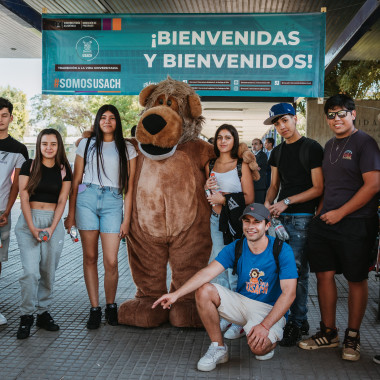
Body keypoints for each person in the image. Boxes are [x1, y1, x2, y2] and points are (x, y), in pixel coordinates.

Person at [153, 203, 297, 371]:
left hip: (269, 310)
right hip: (242, 303)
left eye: (256, 222)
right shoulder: (236, 247)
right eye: (247, 221)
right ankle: (218, 347)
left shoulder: (281, 249)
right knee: (204, 290)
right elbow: (207, 273)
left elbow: (289, 293)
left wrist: (264, 326)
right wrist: (176, 294)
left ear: (267, 225)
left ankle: (264, 338)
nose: (251, 227)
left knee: (259, 348)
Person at [299, 94, 380, 361]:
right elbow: (328, 187)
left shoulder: (365, 143)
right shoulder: (330, 145)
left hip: (356, 223)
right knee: (323, 275)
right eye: (331, 114)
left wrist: (340, 213)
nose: (336, 118)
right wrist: (321, 214)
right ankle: (328, 332)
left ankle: (352, 337)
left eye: (342, 113)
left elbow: (373, 185)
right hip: (326, 223)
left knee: (356, 278)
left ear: (353, 114)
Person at [65, 105, 137, 329]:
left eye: (112, 118)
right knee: (89, 257)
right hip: (87, 198)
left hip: (113, 202)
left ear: (117, 122)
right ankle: (95, 308)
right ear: (97, 121)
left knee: (112, 261)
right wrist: (71, 214)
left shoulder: (127, 148)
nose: (107, 121)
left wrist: (126, 219)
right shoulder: (86, 144)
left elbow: (130, 187)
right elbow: (75, 181)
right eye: (103, 117)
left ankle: (110, 305)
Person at [263, 103, 324, 346]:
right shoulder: (277, 152)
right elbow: (274, 185)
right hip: (280, 219)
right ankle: (297, 318)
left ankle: (297, 323)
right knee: (283, 271)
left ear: (296, 119)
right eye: (277, 124)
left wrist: (286, 202)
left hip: (303, 219)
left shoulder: (311, 147)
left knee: (298, 274)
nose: (282, 126)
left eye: (285, 120)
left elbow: (318, 188)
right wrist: (266, 205)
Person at [15, 129, 72, 339]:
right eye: (45, 143)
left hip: (52, 223)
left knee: (48, 271)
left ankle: (43, 312)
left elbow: (62, 201)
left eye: (53, 144)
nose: (49, 148)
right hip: (29, 221)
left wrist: (51, 227)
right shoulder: (28, 166)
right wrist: (32, 227)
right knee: (30, 272)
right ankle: (26, 316)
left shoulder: (65, 169)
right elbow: (23, 196)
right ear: (39, 145)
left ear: (59, 147)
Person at [205, 124, 254, 340]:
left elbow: (249, 199)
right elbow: (209, 194)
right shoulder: (211, 164)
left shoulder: (241, 165)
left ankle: (241, 320)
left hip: (236, 225)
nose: (223, 141)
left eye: (228, 137)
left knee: (235, 270)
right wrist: (207, 187)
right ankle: (227, 314)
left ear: (234, 140)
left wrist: (223, 199)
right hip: (216, 221)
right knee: (219, 269)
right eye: (219, 137)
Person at [0, 97, 29, 326]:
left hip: (1, 212)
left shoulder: (18, 149)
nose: (0, 120)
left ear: (10, 117)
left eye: (4, 115)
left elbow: (17, 185)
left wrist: (8, 211)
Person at [252, 138, 268, 204]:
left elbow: (254, 167)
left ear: (261, 145)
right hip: (254, 185)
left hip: (259, 186)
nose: (253, 146)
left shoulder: (263, 155)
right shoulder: (253, 156)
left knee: (259, 206)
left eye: (256, 144)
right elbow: (254, 167)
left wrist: (253, 167)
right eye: (252, 144)